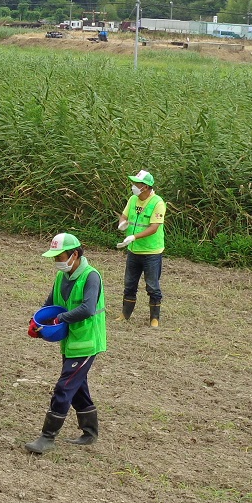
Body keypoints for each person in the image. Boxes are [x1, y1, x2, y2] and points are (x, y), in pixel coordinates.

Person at [25, 232, 107, 454]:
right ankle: (90, 433)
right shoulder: (62, 277)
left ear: (75, 254)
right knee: (77, 387)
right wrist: (36, 322)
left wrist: (59, 319)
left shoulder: (91, 277)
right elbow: (50, 304)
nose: (57, 262)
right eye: (55, 258)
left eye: (60, 257)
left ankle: (47, 437)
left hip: (87, 343)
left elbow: (88, 309)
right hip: (71, 342)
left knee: (65, 386)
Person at [116, 169, 166, 327]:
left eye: (136, 184)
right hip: (133, 250)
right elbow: (124, 215)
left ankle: (154, 318)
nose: (133, 186)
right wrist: (122, 223)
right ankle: (125, 314)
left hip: (151, 252)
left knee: (152, 285)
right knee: (129, 284)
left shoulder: (157, 203)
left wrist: (134, 236)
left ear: (145, 186)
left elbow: (154, 227)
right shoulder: (132, 199)